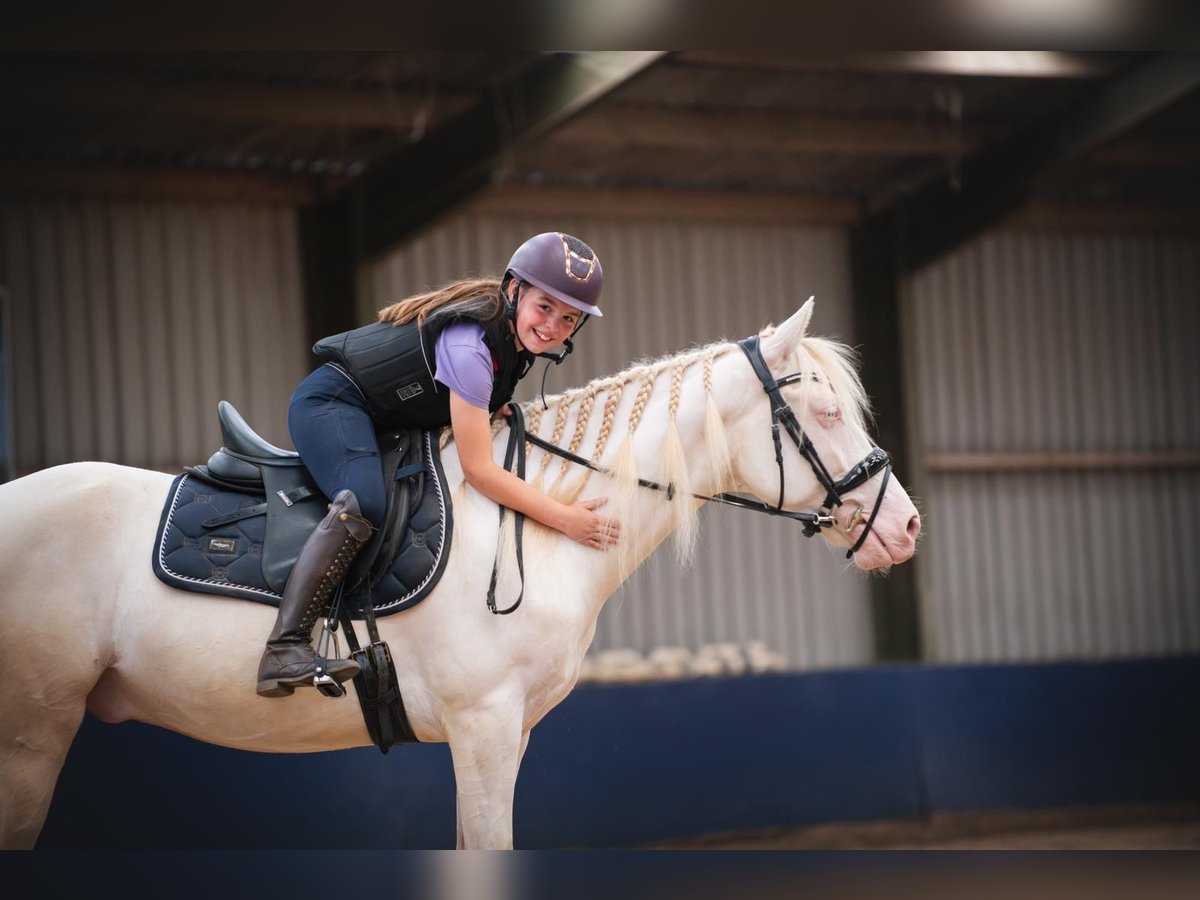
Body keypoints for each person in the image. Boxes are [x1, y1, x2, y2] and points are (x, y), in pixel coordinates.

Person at [256, 232, 622, 698]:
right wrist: (566, 518)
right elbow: (480, 472)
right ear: (514, 292)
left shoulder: (509, 341)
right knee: (364, 501)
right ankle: (283, 647)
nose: (552, 327)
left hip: (383, 416)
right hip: (331, 403)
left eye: (569, 319)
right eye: (545, 307)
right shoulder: (471, 347)